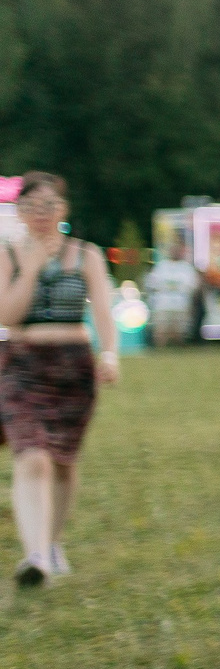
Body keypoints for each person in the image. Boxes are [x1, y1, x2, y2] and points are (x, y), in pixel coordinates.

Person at [0, 174, 119, 588]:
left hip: (73, 369)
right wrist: (30, 270)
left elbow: (104, 310)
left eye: (49, 205)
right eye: (31, 206)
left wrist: (110, 354)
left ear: (63, 210)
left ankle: (51, 544)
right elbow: (6, 317)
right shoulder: (8, 255)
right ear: (19, 212)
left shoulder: (86, 255)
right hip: (21, 366)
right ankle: (35, 557)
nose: (41, 214)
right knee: (31, 455)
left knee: (64, 463)